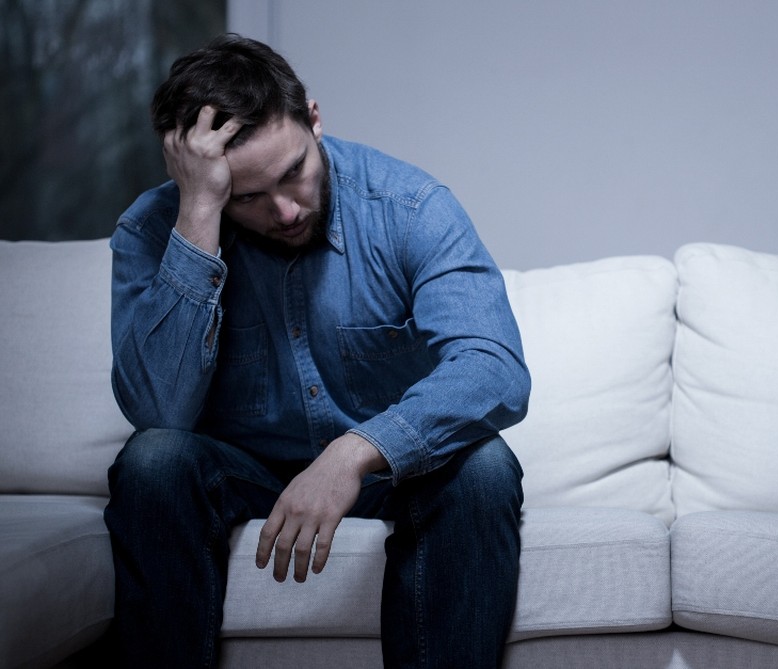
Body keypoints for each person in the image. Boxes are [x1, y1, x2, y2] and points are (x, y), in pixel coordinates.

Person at [104, 34, 530, 668]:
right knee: (153, 460)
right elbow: (160, 411)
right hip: (243, 472)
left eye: (292, 172)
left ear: (313, 118)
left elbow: (493, 368)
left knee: (483, 468)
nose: (284, 210)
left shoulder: (410, 209)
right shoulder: (152, 228)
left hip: (392, 472)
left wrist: (353, 453)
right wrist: (199, 214)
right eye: (245, 196)